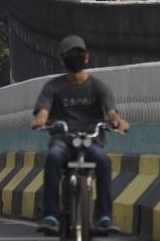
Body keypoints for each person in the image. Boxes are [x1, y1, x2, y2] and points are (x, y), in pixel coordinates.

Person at [31, 35, 130, 236]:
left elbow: (111, 111)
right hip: (63, 141)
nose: (75, 58)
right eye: (70, 55)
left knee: (103, 160)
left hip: (91, 140)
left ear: (86, 58)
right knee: (53, 157)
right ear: (62, 59)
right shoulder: (53, 87)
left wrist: (117, 121)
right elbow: (43, 110)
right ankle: (50, 215)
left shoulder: (98, 87)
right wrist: (41, 118)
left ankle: (104, 217)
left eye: (78, 54)